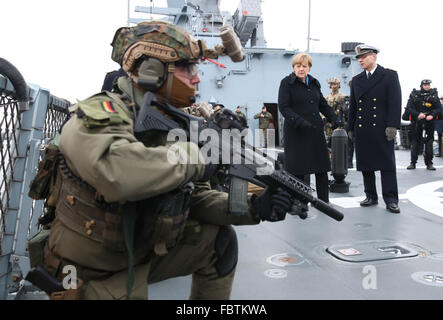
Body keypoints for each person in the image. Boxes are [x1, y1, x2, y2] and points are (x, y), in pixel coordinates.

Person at [41, 21, 292, 300]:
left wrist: (255, 207)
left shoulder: (169, 120)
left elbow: (195, 198)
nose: (197, 79)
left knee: (219, 243)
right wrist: (200, 156)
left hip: (135, 248)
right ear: (153, 72)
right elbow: (118, 173)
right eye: (187, 69)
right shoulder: (99, 112)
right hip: (92, 270)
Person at [347, 44, 402, 214]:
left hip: (382, 129)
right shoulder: (356, 80)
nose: (360, 60)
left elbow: (395, 102)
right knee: (366, 164)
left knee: (387, 165)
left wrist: (393, 125)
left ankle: (391, 199)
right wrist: (351, 127)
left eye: (363, 56)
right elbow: (353, 107)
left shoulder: (389, 76)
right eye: (358, 58)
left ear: (374, 56)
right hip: (363, 129)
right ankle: (370, 196)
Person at [278, 53, 337, 203]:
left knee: (321, 169)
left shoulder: (314, 84)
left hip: (315, 132)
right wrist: (300, 123)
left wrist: (335, 119)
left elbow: (322, 104)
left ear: (309, 67)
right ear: (294, 67)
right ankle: (299, 202)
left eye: (304, 66)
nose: (301, 69)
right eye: (298, 66)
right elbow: (284, 107)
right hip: (296, 132)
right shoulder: (287, 83)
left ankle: (324, 202)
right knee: (299, 170)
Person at [404, 80, 441, 170]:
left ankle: (429, 163)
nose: (427, 86)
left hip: (429, 121)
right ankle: (413, 163)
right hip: (417, 121)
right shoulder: (414, 95)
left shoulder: (434, 95)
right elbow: (409, 108)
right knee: (415, 142)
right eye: (425, 85)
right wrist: (418, 114)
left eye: (428, 85)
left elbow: (439, 108)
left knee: (429, 142)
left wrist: (432, 115)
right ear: (422, 85)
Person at [324, 78, 346, 146]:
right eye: (332, 84)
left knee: (338, 141)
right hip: (328, 123)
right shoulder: (327, 97)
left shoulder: (342, 96)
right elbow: (324, 108)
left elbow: (344, 109)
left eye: (335, 84)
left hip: (337, 122)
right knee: (328, 141)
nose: (334, 86)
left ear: (339, 85)